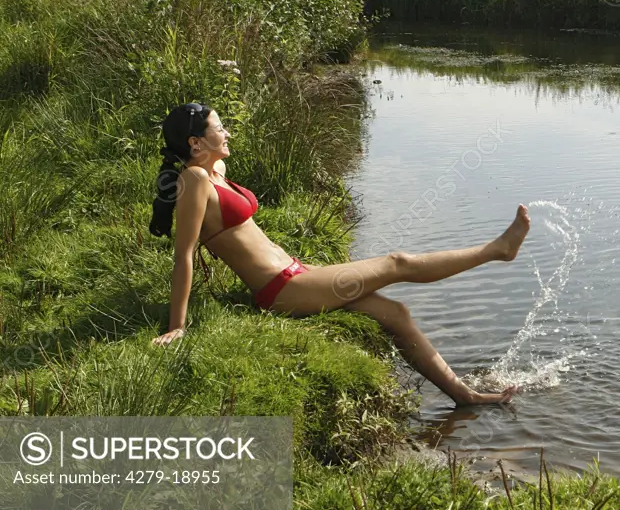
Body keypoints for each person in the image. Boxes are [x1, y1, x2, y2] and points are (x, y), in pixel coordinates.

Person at [149, 103, 528, 405]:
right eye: (219, 127)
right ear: (196, 143)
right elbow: (183, 255)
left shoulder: (216, 170)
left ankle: (465, 397)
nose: (227, 131)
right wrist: (176, 326)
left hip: (297, 273)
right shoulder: (194, 180)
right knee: (398, 263)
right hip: (281, 291)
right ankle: (497, 250)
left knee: (396, 313)